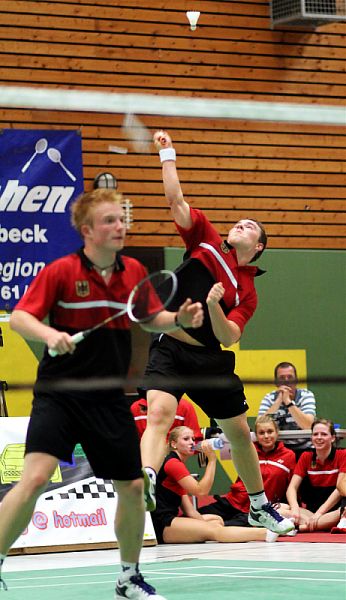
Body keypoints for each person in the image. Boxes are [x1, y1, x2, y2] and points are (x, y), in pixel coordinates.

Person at [0, 188, 204, 598]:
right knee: (35, 478)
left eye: (121, 219)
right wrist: (50, 334)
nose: (119, 226)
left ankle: (129, 577)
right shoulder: (61, 270)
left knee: (130, 488)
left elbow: (148, 318)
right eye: (109, 220)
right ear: (87, 230)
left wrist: (177, 317)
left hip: (109, 398)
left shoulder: (131, 272)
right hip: (60, 394)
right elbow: (20, 317)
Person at [140, 129, 295, 535]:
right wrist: (167, 154)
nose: (239, 226)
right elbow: (176, 199)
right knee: (159, 413)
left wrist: (212, 305)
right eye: (239, 223)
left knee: (239, 432)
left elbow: (229, 337)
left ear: (258, 247)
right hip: (171, 347)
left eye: (248, 228)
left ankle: (260, 506)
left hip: (209, 358)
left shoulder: (249, 291)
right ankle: (146, 478)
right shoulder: (205, 240)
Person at [151, 426, 279, 544]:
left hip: (170, 519)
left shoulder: (177, 463)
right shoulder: (173, 463)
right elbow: (200, 491)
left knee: (217, 520)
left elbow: (189, 511)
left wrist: (199, 525)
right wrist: (212, 460)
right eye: (186, 439)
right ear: (173, 444)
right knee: (214, 530)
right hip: (162, 524)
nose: (192, 442)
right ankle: (265, 533)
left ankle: (222, 531)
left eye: (193, 439)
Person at [197, 416, 296, 526]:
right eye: (261, 433)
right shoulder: (248, 451)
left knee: (221, 527)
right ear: (256, 435)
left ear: (277, 433)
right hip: (233, 501)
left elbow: (292, 486)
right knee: (192, 518)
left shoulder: (288, 456)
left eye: (270, 431)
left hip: (257, 509)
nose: (266, 436)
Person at [279, 419, 346, 532]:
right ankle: (315, 524)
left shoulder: (342, 455)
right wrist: (295, 509)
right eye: (315, 434)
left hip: (334, 511)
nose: (319, 437)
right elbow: (292, 488)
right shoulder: (306, 456)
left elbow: (339, 489)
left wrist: (320, 513)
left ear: (333, 438)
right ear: (311, 438)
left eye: (324, 434)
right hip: (310, 512)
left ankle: (301, 527)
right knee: (278, 508)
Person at [258, 361, 316, 456]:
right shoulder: (269, 398)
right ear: (276, 383)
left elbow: (308, 426)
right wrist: (279, 400)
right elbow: (260, 426)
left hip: (306, 449)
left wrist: (288, 402)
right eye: (282, 378)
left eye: (290, 377)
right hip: (278, 450)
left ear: (296, 380)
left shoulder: (306, 395)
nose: (286, 381)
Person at [131, 396, 202, 443]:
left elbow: (195, 441)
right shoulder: (135, 408)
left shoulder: (185, 407)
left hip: (174, 459)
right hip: (144, 460)